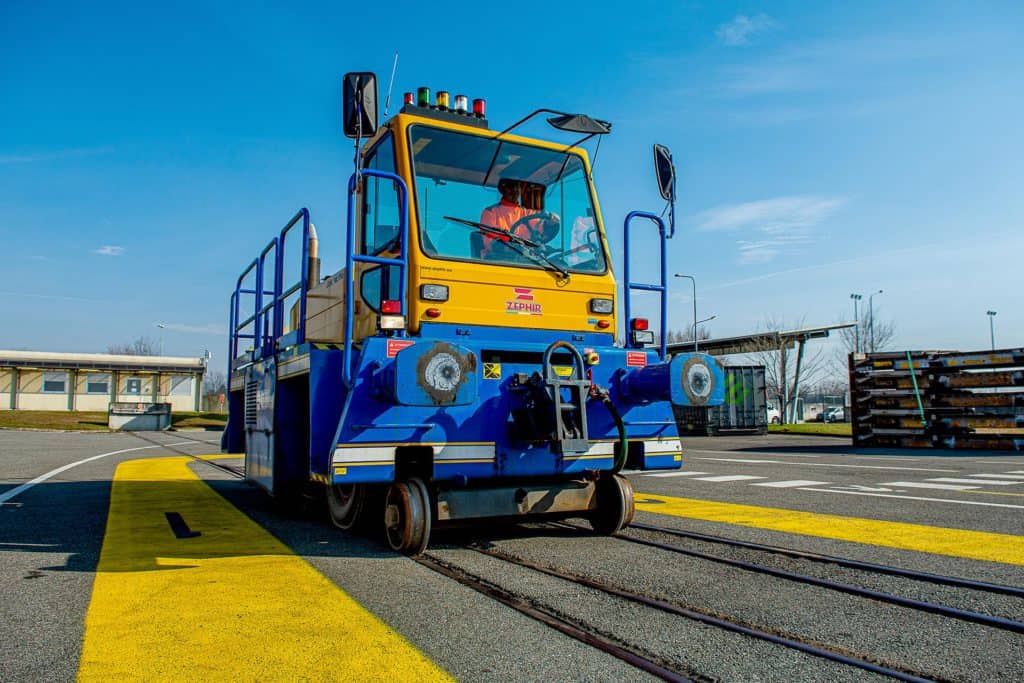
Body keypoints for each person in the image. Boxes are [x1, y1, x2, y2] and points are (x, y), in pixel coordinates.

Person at [478, 179, 559, 259]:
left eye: (517, 187)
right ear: (503, 190)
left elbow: (539, 230)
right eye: (510, 187)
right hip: (496, 260)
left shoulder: (527, 212)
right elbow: (490, 241)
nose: (515, 190)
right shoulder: (490, 212)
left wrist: (549, 224)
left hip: (522, 260)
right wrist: (512, 247)